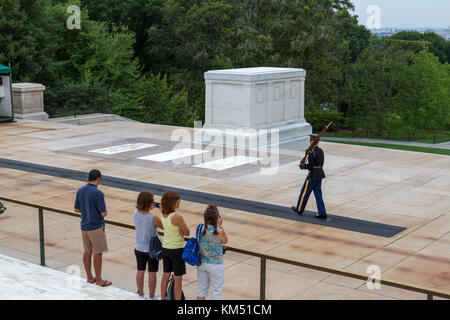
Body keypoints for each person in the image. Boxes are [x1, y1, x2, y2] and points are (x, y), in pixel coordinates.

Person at [74, 169, 112, 287]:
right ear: (99, 179)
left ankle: (90, 277)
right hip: (95, 227)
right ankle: (99, 280)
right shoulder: (98, 193)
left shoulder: (80, 191)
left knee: (87, 251)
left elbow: (76, 209)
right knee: (98, 253)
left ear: (88, 178)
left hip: (84, 226)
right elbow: (103, 213)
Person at [159, 191, 190, 300]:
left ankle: (162, 298)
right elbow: (187, 232)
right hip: (176, 249)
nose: (179, 203)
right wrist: (181, 231)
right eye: (178, 201)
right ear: (173, 202)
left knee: (165, 275)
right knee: (178, 280)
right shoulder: (177, 217)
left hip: (166, 248)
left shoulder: (163, 214)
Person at [133, 191, 163, 300]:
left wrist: (152, 204)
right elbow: (163, 226)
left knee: (140, 270)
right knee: (152, 272)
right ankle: (151, 296)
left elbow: (143, 207)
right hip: (151, 249)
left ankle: (141, 294)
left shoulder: (135, 212)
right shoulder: (153, 217)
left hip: (138, 247)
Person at [291, 134, 328, 219]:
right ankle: (322, 213)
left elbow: (310, 166)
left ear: (312, 141)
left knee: (304, 192)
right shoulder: (320, 151)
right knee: (318, 194)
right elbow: (321, 164)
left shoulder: (312, 152)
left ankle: (299, 208)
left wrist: (302, 166)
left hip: (312, 176)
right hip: (319, 174)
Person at [197, 205, 228, 300]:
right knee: (216, 292)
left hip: (202, 263)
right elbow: (225, 241)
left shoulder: (199, 227)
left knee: (201, 291)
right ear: (217, 218)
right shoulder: (219, 231)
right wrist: (220, 225)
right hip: (215, 264)